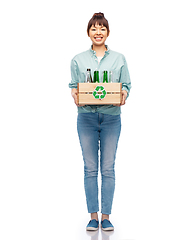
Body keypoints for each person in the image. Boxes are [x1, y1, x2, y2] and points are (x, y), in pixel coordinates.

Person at [69, 12, 131, 231]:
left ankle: (106, 216)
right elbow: (74, 87)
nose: (98, 32)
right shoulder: (78, 59)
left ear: (108, 32)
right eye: (94, 28)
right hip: (86, 117)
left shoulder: (119, 59)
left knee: (108, 168)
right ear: (88, 32)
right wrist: (75, 95)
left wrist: (123, 94)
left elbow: (126, 85)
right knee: (90, 168)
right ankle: (93, 216)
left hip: (111, 119)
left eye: (102, 28)